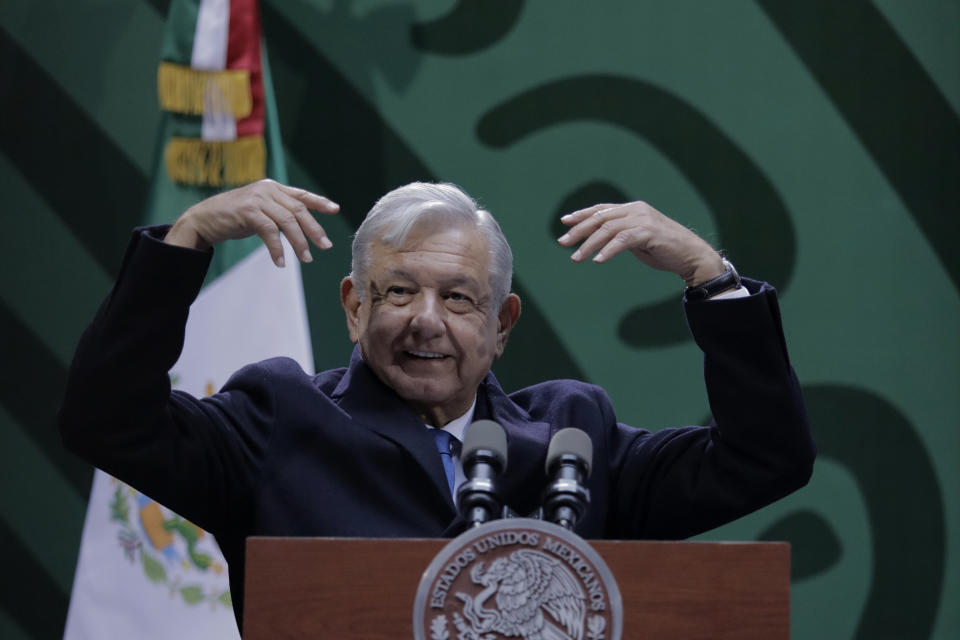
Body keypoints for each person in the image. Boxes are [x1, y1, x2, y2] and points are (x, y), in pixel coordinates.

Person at [58, 179, 815, 629]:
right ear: (354, 307)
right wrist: (185, 242)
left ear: (500, 326)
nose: (426, 319)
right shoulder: (277, 419)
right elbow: (107, 420)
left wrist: (711, 278)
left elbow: (764, 459)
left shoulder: (572, 439)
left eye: (459, 298)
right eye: (398, 291)